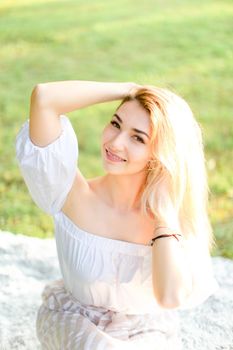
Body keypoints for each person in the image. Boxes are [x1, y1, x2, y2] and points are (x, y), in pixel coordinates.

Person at [15, 80, 218, 349]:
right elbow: (44, 98)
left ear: (161, 153)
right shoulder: (72, 193)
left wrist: (164, 217)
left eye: (138, 137)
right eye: (115, 123)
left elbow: (170, 298)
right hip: (75, 322)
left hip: (147, 333)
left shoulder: (172, 218)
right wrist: (129, 89)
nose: (115, 142)